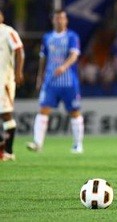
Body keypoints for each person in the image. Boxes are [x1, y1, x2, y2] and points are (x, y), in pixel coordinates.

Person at [27, 9, 85, 153]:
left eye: (62, 18)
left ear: (66, 21)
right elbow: (43, 58)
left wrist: (64, 67)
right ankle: (37, 143)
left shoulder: (72, 36)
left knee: (74, 112)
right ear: (53, 20)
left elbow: (74, 55)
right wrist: (40, 77)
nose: (59, 20)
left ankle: (78, 144)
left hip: (69, 82)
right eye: (57, 18)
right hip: (50, 81)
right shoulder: (47, 37)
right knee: (43, 110)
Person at [0, 10, 24, 161]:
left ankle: (8, 151)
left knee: (6, 113)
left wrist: (18, 72)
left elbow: (19, 51)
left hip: (4, 81)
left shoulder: (8, 32)